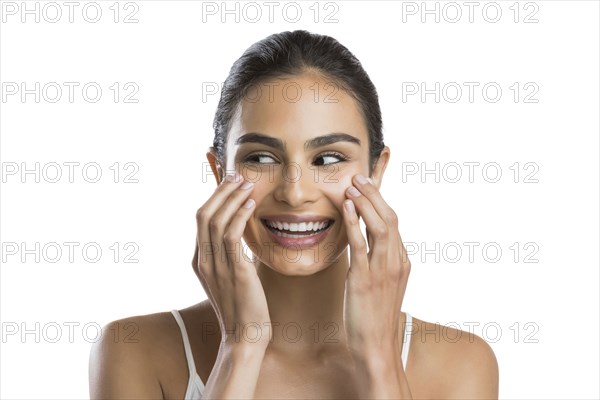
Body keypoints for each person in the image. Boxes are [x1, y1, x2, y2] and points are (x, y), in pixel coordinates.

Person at [89, 30, 499, 399]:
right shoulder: (134, 350)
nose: (294, 192)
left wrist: (379, 359)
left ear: (375, 170)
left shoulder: (460, 365)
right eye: (262, 157)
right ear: (220, 173)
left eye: (328, 158)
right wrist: (241, 348)